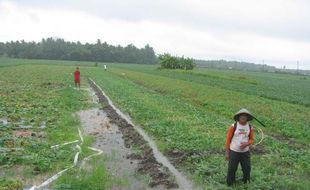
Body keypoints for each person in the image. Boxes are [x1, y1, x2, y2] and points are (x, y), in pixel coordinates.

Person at [225, 108, 254, 186]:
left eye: (245, 116)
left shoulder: (250, 127)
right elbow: (228, 140)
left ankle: (246, 183)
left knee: (247, 168)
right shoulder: (234, 126)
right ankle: (230, 184)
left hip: (245, 152)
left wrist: (247, 144)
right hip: (234, 151)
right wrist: (227, 153)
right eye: (241, 115)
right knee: (232, 169)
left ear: (247, 118)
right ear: (238, 117)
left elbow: (251, 139)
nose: (243, 117)